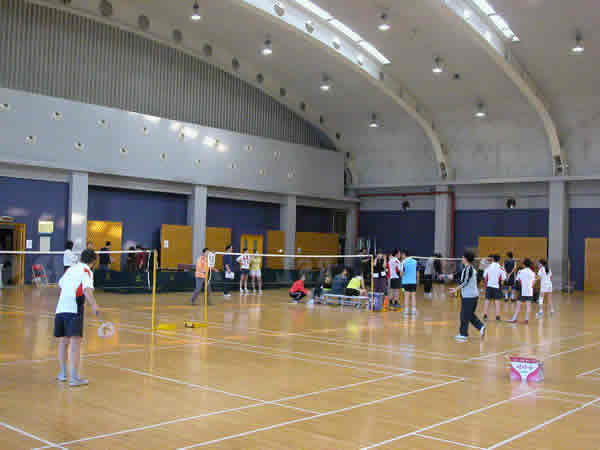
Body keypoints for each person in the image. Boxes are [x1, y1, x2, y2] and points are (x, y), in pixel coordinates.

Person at [54, 249, 100, 386]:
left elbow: (60, 283)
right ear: (93, 261)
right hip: (74, 309)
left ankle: (62, 374)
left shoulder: (71, 269)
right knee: (75, 343)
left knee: (63, 341)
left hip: (60, 308)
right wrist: (94, 305)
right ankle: (74, 378)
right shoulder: (87, 271)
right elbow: (87, 289)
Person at [449, 251, 485, 342]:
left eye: (463, 257)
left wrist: (455, 289)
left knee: (464, 315)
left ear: (466, 259)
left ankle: (463, 334)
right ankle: (481, 327)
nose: (462, 258)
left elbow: (465, 282)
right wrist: (451, 276)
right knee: (469, 315)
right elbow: (460, 275)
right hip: (472, 296)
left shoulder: (468, 269)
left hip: (469, 297)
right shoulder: (469, 269)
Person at [509, 258, 536, 324]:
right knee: (528, 306)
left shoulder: (520, 271)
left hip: (522, 290)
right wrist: (530, 287)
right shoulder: (532, 273)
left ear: (524, 264)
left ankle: (514, 319)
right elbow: (534, 282)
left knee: (518, 305)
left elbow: (517, 281)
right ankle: (526, 320)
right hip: (529, 291)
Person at [482, 254, 507, 322]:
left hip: (489, 286)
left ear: (493, 259)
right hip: (496, 286)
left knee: (487, 300)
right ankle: (497, 316)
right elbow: (504, 278)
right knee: (497, 301)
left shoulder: (488, 266)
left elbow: (484, 276)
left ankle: (485, 315)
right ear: (499, 260)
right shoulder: (501, 268)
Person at [400, 250, 418, 316]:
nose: (401, 256)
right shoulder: (415, 262)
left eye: (402, 255)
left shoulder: (403, 262)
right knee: (413, 296)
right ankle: (413, 311)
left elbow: (401, 274)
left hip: (406, 282)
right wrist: (417, 280)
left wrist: (404, 273)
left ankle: (406, 310)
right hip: (413, 282)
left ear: (404, 255)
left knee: (406, 296)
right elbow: (417, 272)